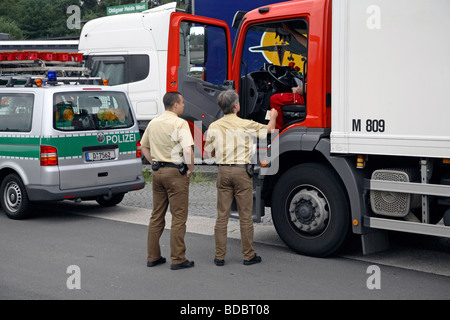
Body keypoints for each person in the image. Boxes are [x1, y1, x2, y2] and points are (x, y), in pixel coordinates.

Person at [204, 89, 278, 266]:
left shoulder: (214, 126)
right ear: (236, 106)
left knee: (222, 216)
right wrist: (273, 114)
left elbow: (209, 152)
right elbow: (270, 129)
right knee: (245, 216)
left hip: (223, 172)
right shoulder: (246, 124)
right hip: (241, 172)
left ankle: (219, 256)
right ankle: (248, 255)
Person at [141, 91, 195, 270]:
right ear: (176, 105)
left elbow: (143, 146)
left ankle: (153, 256)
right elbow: (187, 150)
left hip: (158, 172)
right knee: (178, 217)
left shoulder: (153, 122)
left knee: (156, 215)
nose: (184, 105)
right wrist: (190, 168)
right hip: (175, 173)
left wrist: (153, 162)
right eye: (182, 102)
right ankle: (178, 259)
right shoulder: (180, 123)